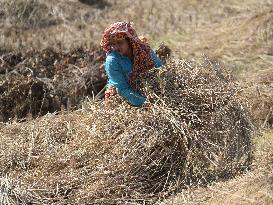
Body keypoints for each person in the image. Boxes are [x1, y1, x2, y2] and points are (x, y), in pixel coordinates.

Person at [100, 22, 162, 107]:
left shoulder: (144, 50)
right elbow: (122, 89)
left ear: (129, 41)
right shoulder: (112, 60)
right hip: (123, 97)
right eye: (113, 44)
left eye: (120, 42)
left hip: (146, 88)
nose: (116, 47)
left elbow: (160, 69)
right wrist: (146, 103)